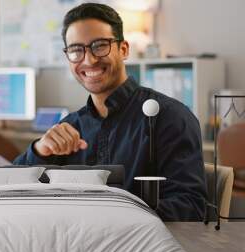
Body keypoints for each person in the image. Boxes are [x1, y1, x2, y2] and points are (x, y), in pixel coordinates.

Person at [13, 3, 207, 221]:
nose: (88, 59)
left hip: (143, 249)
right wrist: (40, 150)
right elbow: (12, 190)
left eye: (99, 45)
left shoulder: (170, 118)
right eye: (76, 50)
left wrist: (109, 215)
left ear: (123, 49)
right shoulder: (70, 127)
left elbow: (192, 207)